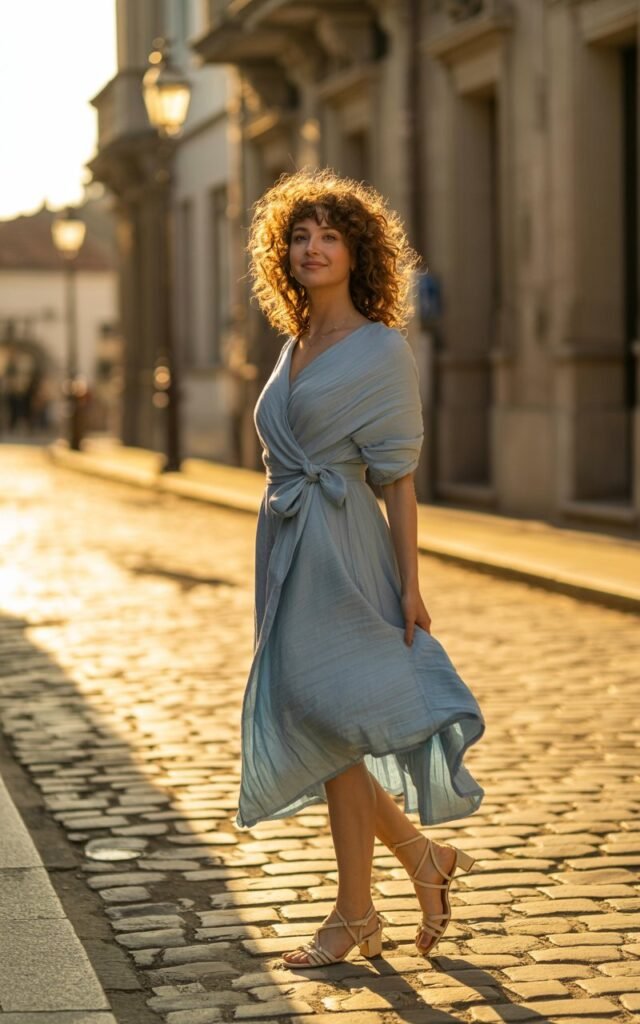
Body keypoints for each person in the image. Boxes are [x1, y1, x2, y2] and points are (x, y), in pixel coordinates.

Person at [237, 167, 486, 969]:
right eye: (299, 236)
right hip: (287, 548)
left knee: (334, 722)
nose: (312, 248)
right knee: (324, 724)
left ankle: (355, 912)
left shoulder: (380, 348)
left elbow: (398, 481)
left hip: (344, 547)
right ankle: (419, 864)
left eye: (330, 236)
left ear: (357, 253)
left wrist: (410, 585)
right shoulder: (294, 344)